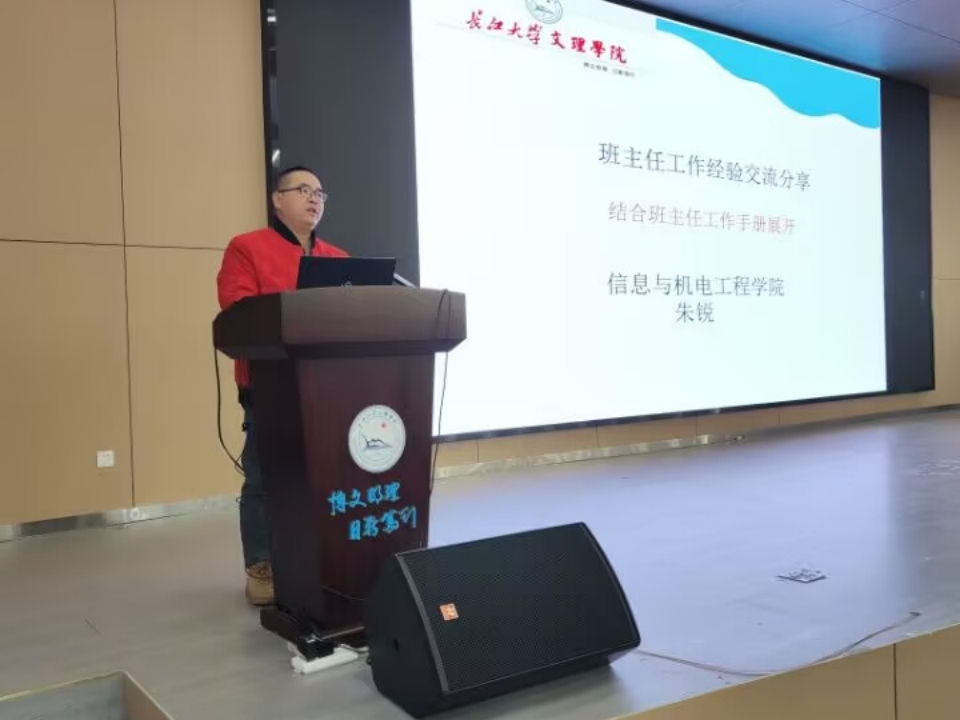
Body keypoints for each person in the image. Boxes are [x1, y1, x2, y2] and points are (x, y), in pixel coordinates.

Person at [217, 166, 348, 606]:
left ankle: (319, 560)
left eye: (320, 193)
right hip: (270, 384)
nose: (314, 199)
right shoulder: (247, 248)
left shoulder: (338, 258)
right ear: (277, 200)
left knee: (324, 478)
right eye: (303, 190)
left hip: (328, 388)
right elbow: (238, 308)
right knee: (263, 479)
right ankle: (261, 566)